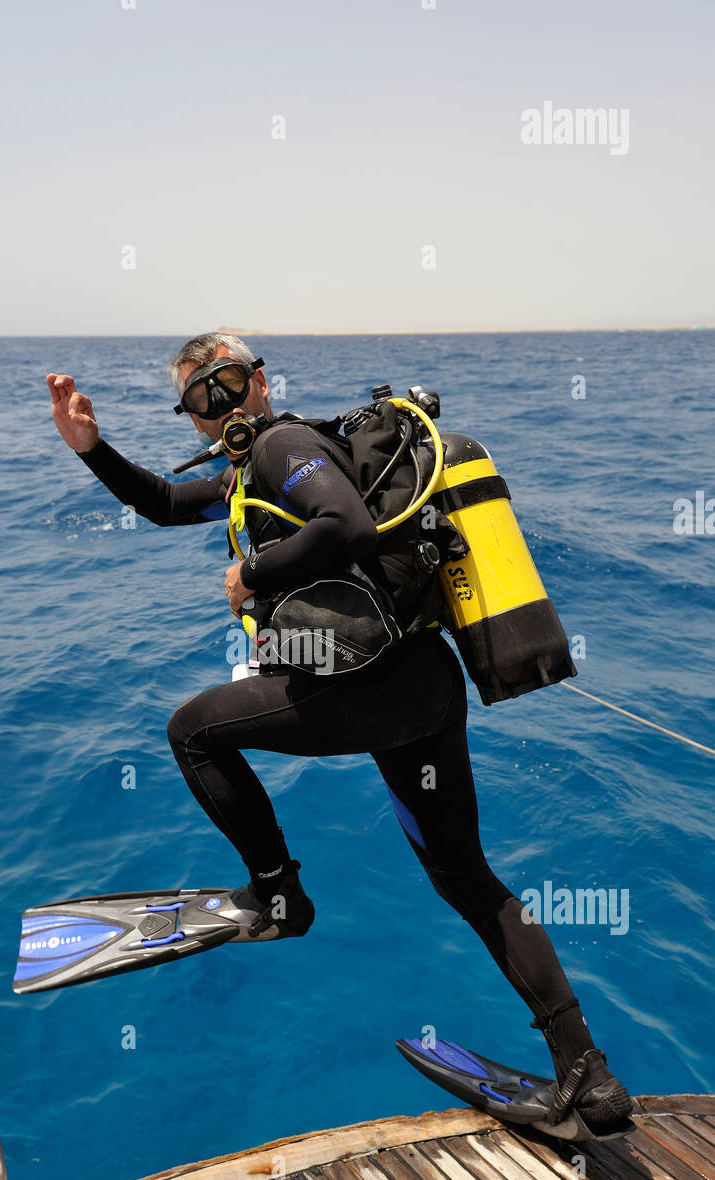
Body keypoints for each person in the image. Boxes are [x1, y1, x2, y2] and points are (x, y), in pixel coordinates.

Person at [46, 331, 632, 1133]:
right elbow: (161, 502)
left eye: (223, 387)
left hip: (373, 688)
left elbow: (348, 526)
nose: (215, 410)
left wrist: (252, 573)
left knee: (193, 732)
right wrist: (91, 446)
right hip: (421, 686)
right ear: (188, 416)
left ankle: (279, 896)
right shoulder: (252, 473)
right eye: (197, 401)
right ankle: (587, 1076)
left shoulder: (285, 444)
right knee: (467, 879)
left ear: (257, 380)